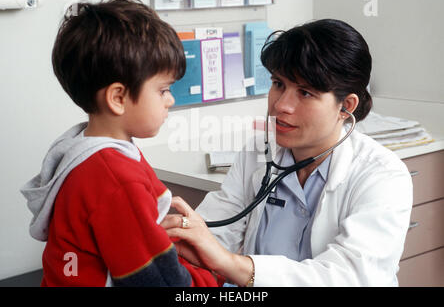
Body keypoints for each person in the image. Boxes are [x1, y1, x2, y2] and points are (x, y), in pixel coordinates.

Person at [161, 19, 413, 286]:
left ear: (345, 106)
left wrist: (230, 263)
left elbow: (350, 277)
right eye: (278, 84)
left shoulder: (383, 175)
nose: (281, 105)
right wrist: (185, 239)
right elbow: (217, 230)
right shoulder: (259, 152)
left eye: (305, 93)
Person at [20, 0, 217, 287]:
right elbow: (157, 280)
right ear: (118, 98)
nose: (170, 101)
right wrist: (211, 280)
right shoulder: (116, 177)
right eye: (163, 90)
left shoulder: (83, 149)